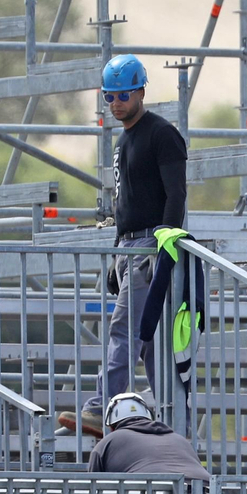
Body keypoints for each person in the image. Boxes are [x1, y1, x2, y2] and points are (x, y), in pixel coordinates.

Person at [61, 54, 188, 439]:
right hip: (130, 245)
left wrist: (163, 245)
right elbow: (125, 201)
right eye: (109, 97)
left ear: (141, 92)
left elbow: (176, 194)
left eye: (123, 95)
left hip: (151, 244)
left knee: (124, 330)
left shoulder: (161, 134)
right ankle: (167, 414)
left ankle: (102, 407)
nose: (116, 103)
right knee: (147, 340)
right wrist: (119, 252)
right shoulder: (124, 139)